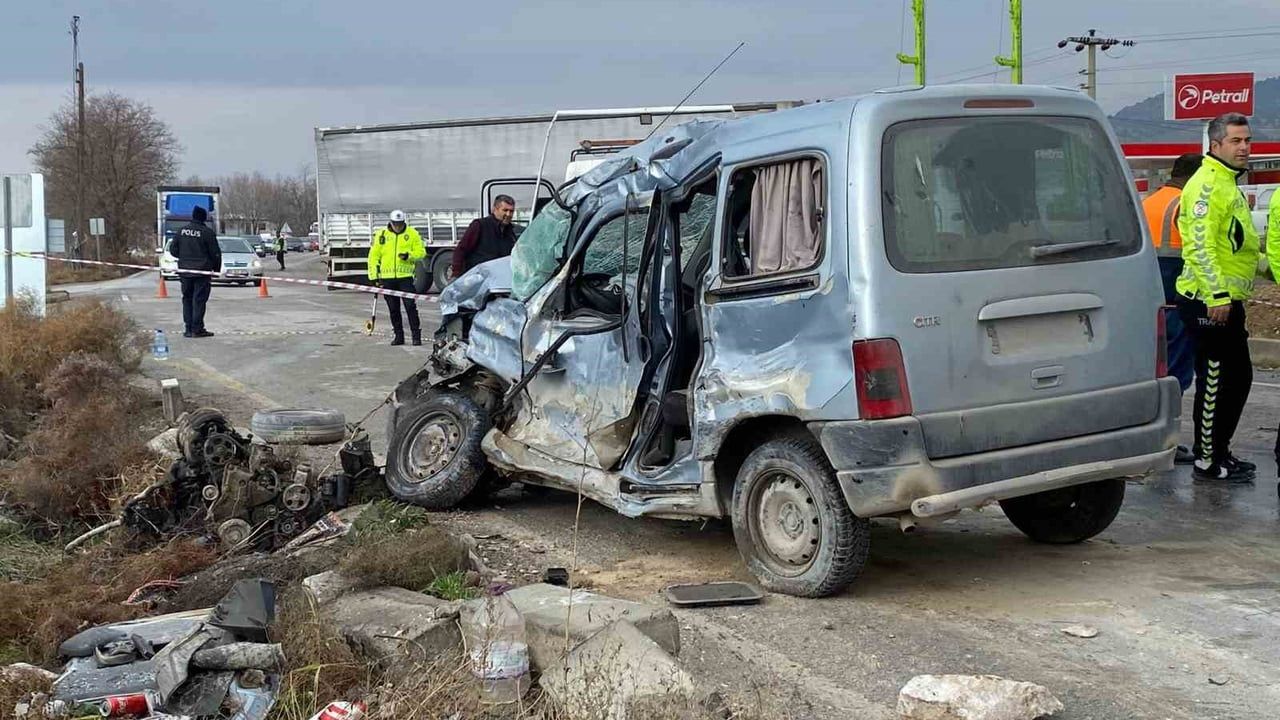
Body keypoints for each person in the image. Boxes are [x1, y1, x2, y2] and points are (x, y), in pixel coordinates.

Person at [1175, 113, 1258, 483]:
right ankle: (1207, 459)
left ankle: (1220, 451)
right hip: (1208, 301)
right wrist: (1217, 295)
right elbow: (1200, 247)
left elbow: (1239, 246)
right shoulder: (1207, 186)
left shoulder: (1228, 183)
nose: (1244, 148)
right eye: (1236, 141)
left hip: (1229, 301)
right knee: (1215, 380)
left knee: (1238, 378)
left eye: (1247, 140)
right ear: (1216, 145)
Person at [1143, 153, 1202, 465]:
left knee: (1155, 371)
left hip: (1150, 303)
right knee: (1177, 375)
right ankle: (1166, 439)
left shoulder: (1148, 202)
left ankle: (1150, 433)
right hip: (1177, 302)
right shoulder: (1184, 204)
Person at [368, 209, 426, 346]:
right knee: (393, 309)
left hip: (405, 277)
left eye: (400, 224)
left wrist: (409, 255)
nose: (398, 227)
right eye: (395, 224)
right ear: (391, 222)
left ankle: (416, 336)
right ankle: (399, 336)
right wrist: (373, 276)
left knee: (410, 307)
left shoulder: (412, 234)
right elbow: (374, 256)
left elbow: (421, 252)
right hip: (387, 278)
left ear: (403, 222)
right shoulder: (382, 235)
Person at [171, 205, 220, 339]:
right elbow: (215, 253)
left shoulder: (181, 231)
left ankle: (188, 329)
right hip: (202, 272)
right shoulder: (207, 232)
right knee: (198, 300)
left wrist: (183, 258)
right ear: (204, 218)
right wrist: (216, 269)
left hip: (185, 271)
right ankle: (197, 329)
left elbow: (173, 250)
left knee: (187, 299)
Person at [452, 194, 518, 279]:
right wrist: (456, 274)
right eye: (505, 210)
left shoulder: (511, 232)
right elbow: (461, 250)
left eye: (511, 211)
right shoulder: (479, 226)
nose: (508, 214)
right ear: (495, 209)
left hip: (499, 280)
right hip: (478, 279)